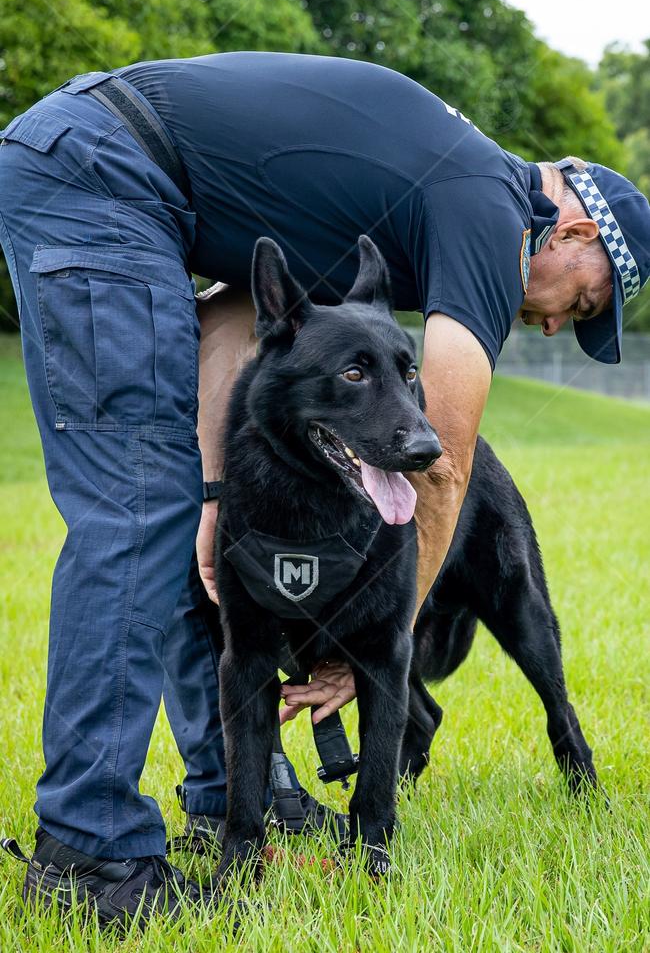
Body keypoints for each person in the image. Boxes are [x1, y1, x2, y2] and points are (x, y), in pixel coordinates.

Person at [0, 52, 647, 925]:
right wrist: (379, 637)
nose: (559, 322)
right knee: (137, 510)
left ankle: (226, 797)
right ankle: (88, 855)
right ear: (573, 233)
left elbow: (243, 321)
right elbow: (440, 460)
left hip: (105, 169)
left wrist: (218, 494)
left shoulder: (421, 193)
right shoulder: (492, 214)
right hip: (104, 177)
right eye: (589, 302)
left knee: (178, 529)